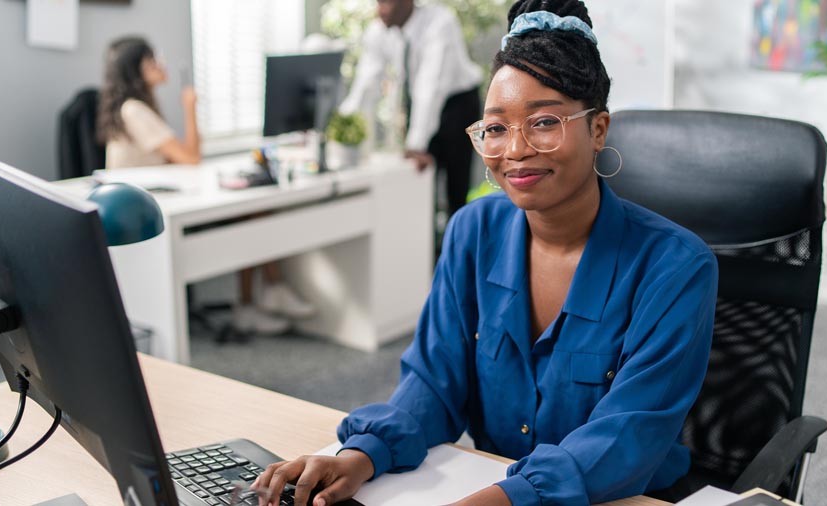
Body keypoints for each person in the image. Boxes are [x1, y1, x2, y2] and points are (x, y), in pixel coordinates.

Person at [253, 0, 718, 504]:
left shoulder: (676, 266)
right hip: (488, 484)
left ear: (598, 129)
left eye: (543, 122)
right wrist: (361, 455)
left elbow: (627, 437)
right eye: (495, 127)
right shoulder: (472, 231)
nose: (514, 149)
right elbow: (434, 382)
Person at [98, 36, 315, 335]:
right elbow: (190, 156)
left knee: (254, 212)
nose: (162, 65)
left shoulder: (137, 108)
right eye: (153, 61)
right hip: (144, 212)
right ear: (138, 70)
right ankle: (263, 295)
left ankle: (257, 300)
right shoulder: (134, 110)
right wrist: (190, 107)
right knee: (251, 214)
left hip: (155, 201)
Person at [339, 0, 483, 220]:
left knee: (455, 188)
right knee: (420, 182)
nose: (380, 10)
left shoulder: (440, 22)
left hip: (457, 105)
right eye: (377, 2)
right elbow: (366, 80)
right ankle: (428, 247)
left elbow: (431, 85)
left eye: (386, 3)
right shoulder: (379, 30)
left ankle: (458, 245)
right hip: (420, 106)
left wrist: (416, 144)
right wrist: (342, 123)